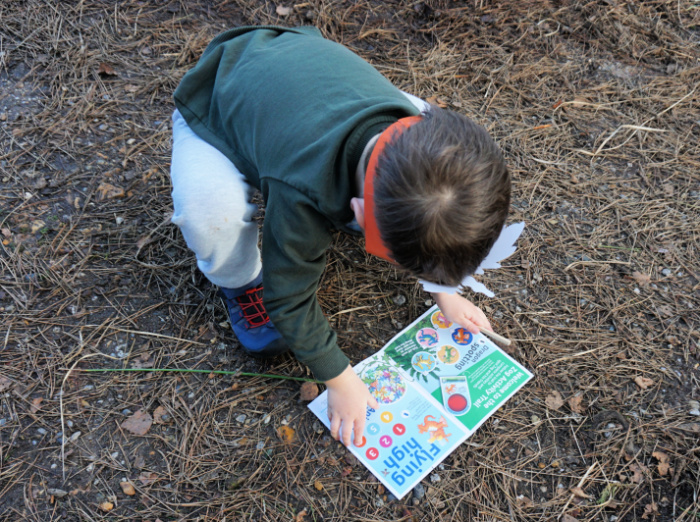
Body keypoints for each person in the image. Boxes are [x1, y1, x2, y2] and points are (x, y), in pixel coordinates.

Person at [170, 25, 511, 448]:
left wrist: (447, 291)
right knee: (208, 213)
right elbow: (289, 299)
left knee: (432, 204)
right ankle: (239, 282)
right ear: (356, 213)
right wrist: (341, 379)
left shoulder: (433, 133)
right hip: (216, 102)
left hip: (303, 68)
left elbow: (444, 206)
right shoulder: (303, 192)